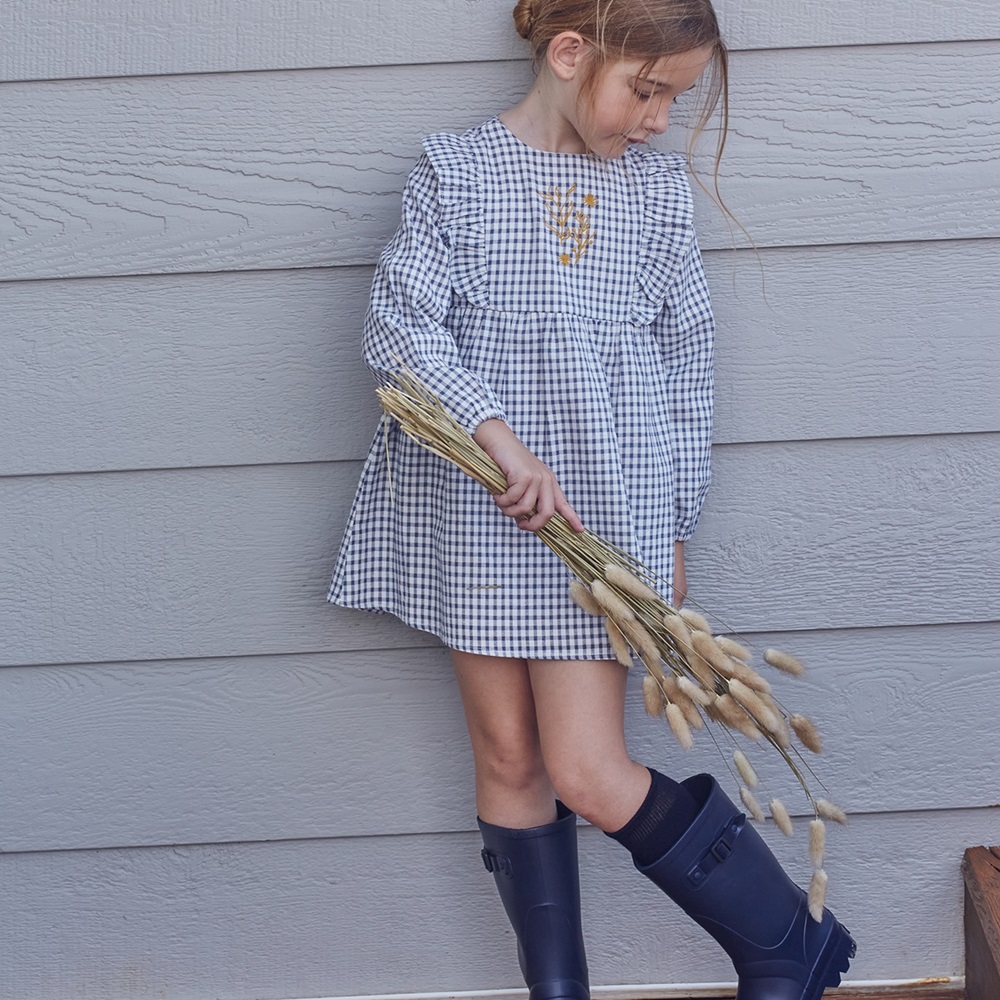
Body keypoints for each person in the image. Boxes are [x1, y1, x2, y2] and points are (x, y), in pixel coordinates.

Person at [329, 0, 855, 997]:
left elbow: (683, 368)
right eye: (646, 90)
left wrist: (670, 522)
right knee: (509, 758)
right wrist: (497, 438)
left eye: (675, 99)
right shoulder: (457, 171)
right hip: (475, 505)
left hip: (599, 521)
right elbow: (402, 325)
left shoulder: (654, 194)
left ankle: (787, 941)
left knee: (585, 768)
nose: (657, 119)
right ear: (569, 55)